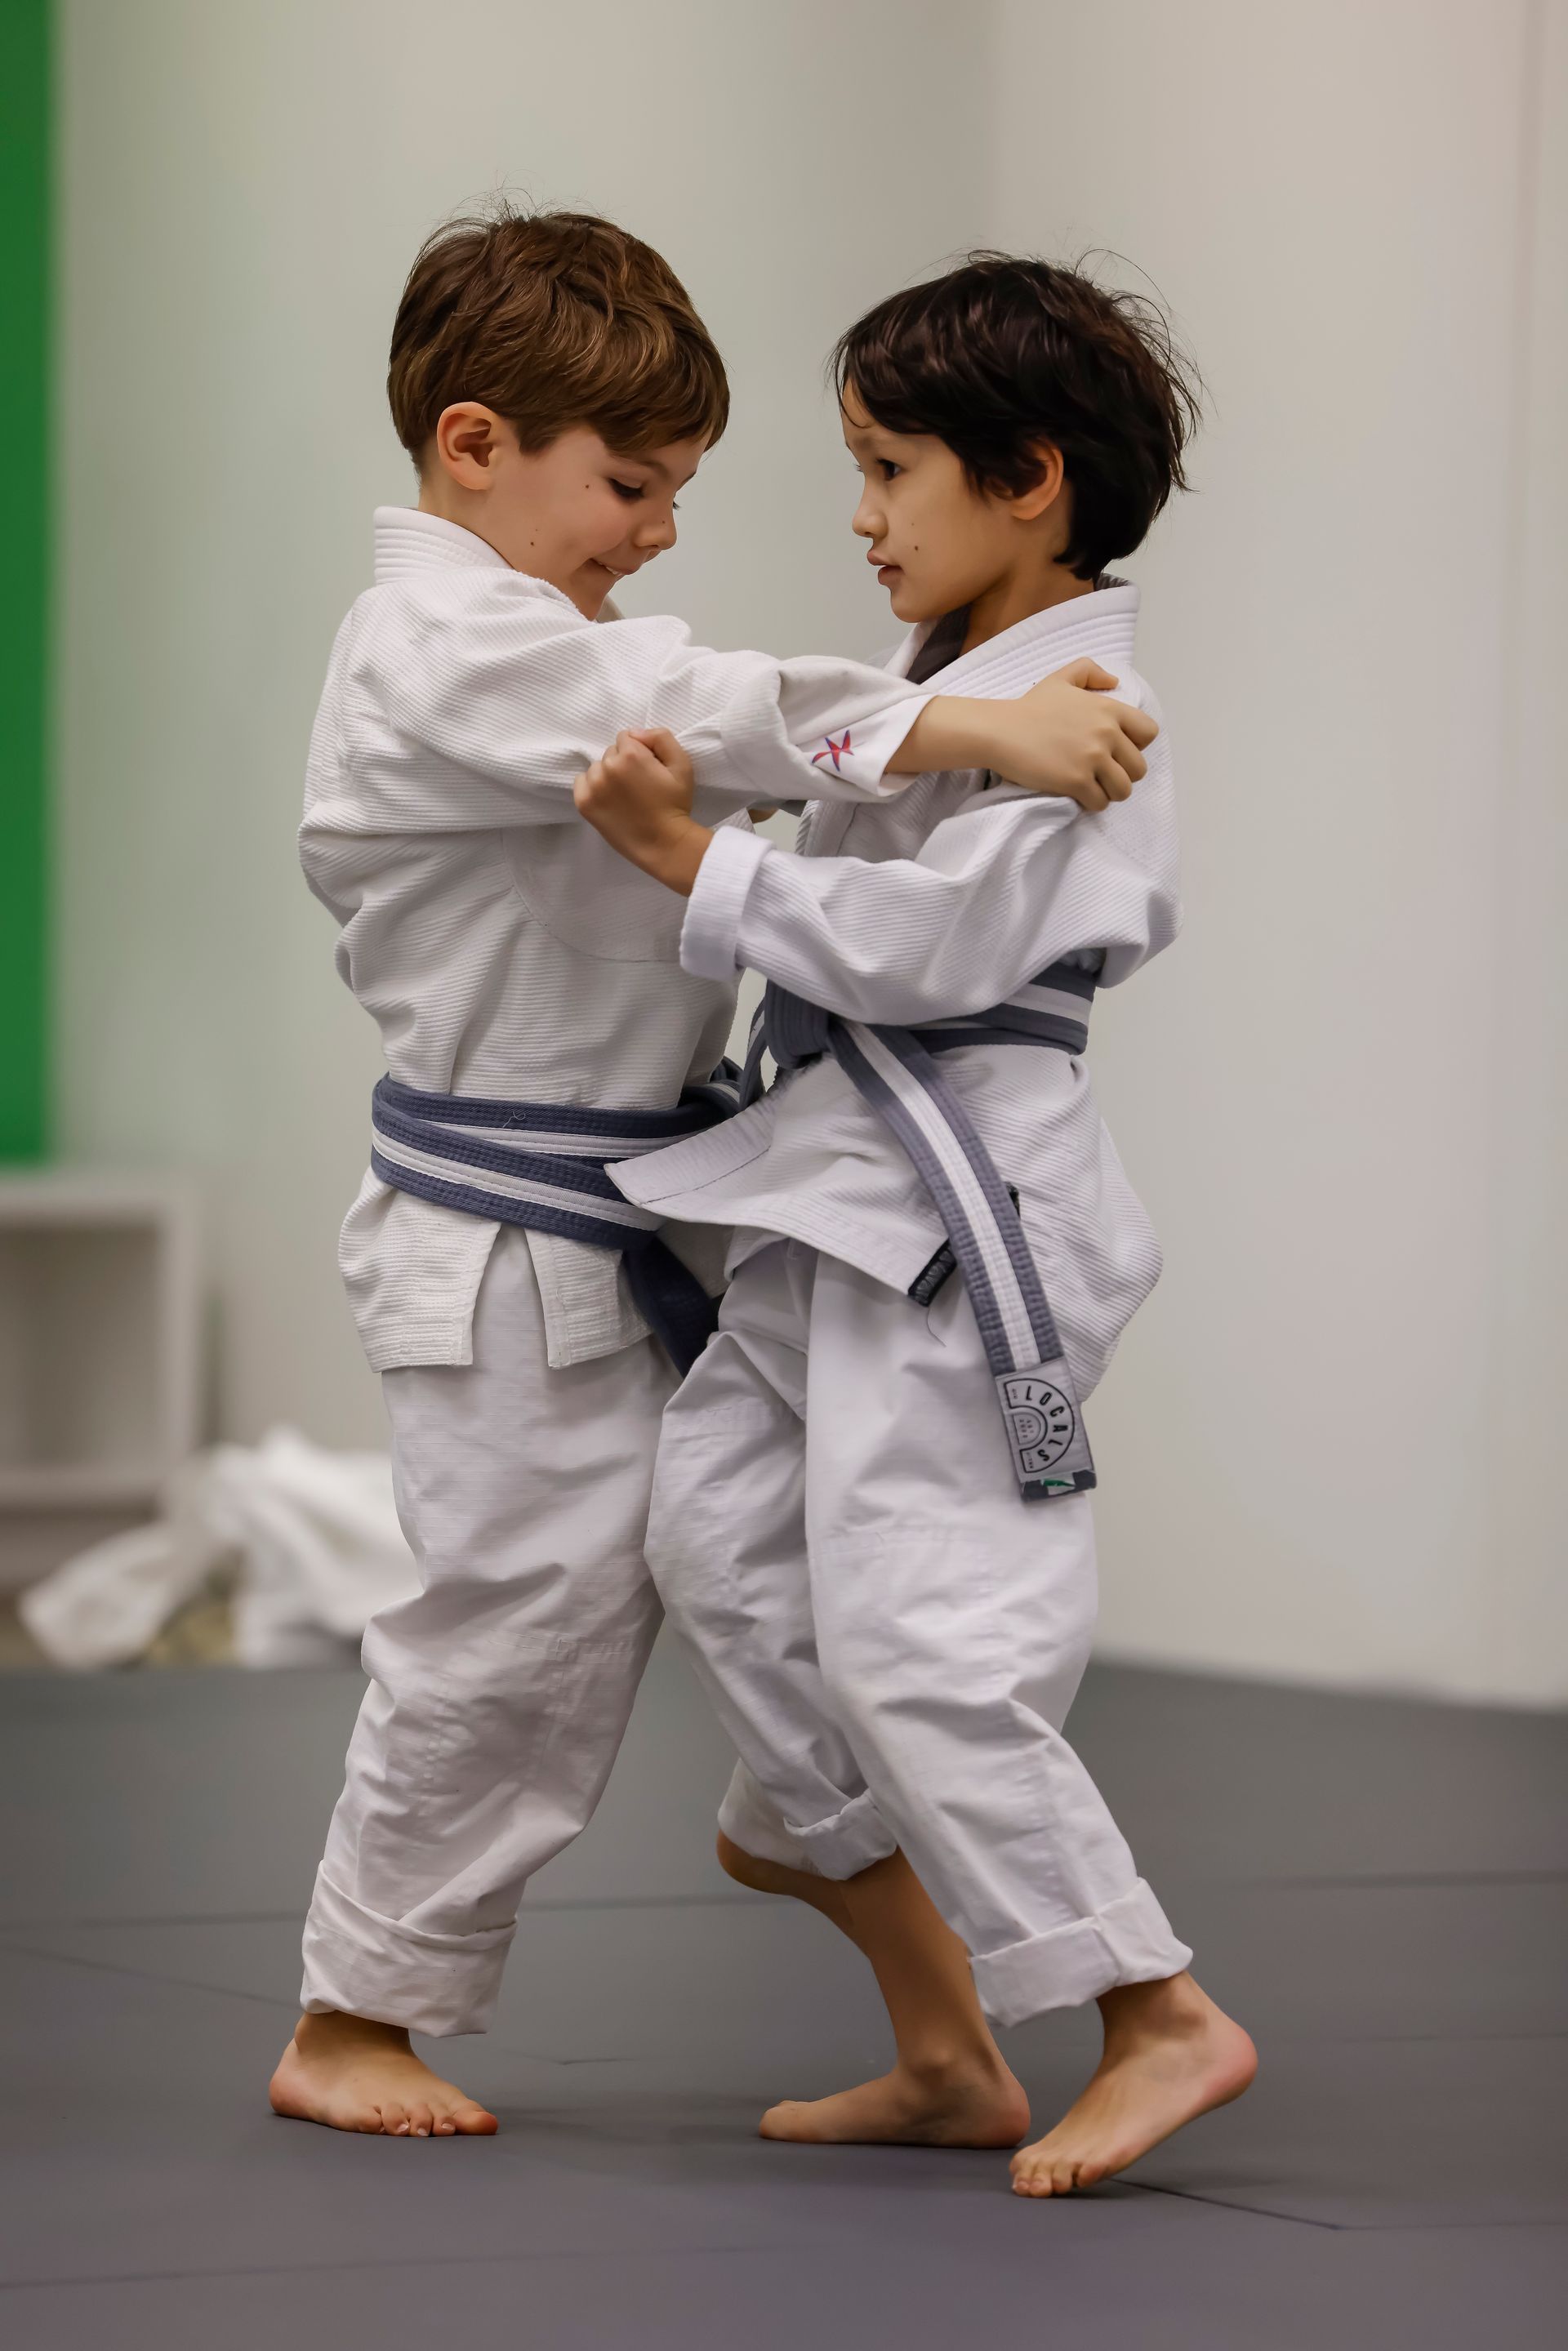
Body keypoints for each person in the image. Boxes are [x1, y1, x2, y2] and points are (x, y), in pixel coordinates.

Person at [270, 207, 1156, 2139]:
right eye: (632, 483)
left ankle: (949, 2040)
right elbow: (703, 711)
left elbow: (724, 742)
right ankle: (354, 2012)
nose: (660, 528)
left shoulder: (540, 644)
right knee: (516, 1634)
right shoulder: (433, 648)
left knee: (781, 1601)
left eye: (677, 488)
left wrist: (952, 735)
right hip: (506, 1243)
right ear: (476, 446)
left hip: (667, 1208)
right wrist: (971, 720)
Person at [576, 253, 1257, 2195]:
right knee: (718, 1539)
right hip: (837, 1188)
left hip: (962, 1213)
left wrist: (698, 861)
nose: (863, 519)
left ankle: (1153, 2008)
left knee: (924, 1633)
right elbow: (835, 768)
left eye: (890, 472)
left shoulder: (1091, 707)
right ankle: (923, 2000)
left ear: (1028, 476)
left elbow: (937, 947)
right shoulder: (951, 694)